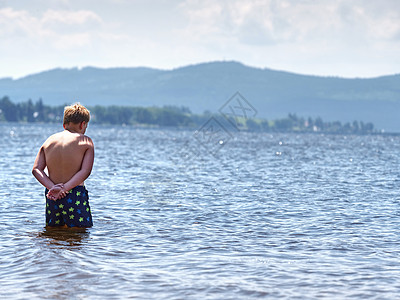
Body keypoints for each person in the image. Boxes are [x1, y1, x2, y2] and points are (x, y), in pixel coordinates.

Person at [32, 103, 94, 228]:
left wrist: (53, 188)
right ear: (83, 124)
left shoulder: (49, 141)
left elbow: (36, 169)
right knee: (79, 234)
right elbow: (85, 171)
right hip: (74, 194)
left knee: (54, 233)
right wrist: (65, 188)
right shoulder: (85, 141)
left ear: (64, 124)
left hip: (52, 195)